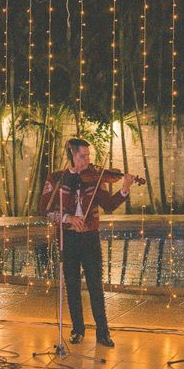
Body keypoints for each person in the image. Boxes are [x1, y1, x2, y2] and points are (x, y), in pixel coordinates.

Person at [39, 138, 135, 347]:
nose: (86, 161)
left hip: (90, 237)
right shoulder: (56, 179)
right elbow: (44, 209)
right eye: (82, 156)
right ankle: (77, 329)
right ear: (71, 155)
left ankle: (103, 332)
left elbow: (108, 205)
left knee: (95, 285)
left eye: (88, 157)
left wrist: (125, 188)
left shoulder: (95, 178)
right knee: (72, 285)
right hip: (68, 237)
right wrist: (67, 219)